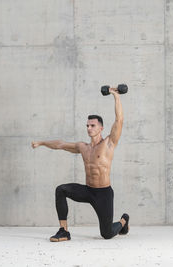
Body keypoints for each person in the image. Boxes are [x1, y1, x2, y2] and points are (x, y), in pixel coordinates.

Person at [31, 87, 129, 241]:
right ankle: (63, 231)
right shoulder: (83, 147)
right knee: (61, 190)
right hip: (88, 190)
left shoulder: (109, 143)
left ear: (101, 128)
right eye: (87, 126)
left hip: (103, 194)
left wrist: (115, 95)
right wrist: (42, 142)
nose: (89, 128)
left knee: (107, 233)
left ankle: (123, 220)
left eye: (93, 126)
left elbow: (119, 120)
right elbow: (61, 145)